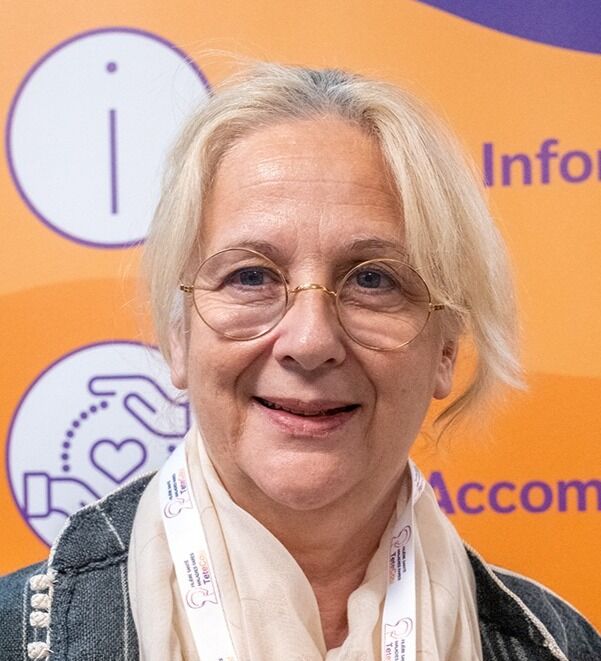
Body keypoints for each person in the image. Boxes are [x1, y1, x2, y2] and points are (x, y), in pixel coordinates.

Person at [1, 62, 600, 661]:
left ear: (446, 346)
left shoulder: (566, 647)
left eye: (372, 280)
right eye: (250, 276)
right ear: (179, 336)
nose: (310, 341)